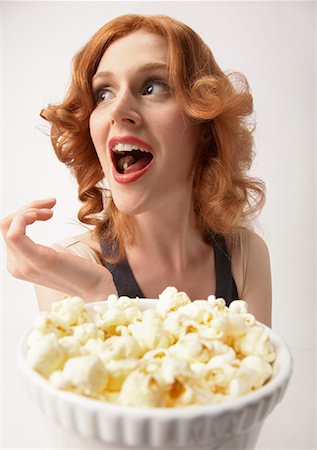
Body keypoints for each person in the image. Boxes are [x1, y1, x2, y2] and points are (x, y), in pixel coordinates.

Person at [1, 14, 272, 326]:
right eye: (103, 93)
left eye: (152, 87)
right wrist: (97, 293)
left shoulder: (244, 255)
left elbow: (260, 374)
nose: (117, 109)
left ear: (205, 125)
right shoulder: (66, 268)